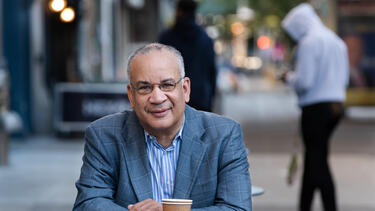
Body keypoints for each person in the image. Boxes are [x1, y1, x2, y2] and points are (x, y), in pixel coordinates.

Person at [73, 43, 252, 211]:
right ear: (131, 95)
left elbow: (237, 207)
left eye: (167, 85)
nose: (158, 98)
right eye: (145, 88)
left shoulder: (224, 135)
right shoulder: (104, 134)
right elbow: (87, 204)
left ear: (185, 89)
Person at [281, 3, 349, 211]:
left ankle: (331, 206)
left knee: (318, 164)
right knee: (314, 160)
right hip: (336, 107)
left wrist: (288, 77)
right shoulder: (336, 41)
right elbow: (344, 78)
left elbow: (304, 82)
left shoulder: (309, 43)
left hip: (314, 109)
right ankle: (305, 205)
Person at [159, 0, 217, 112]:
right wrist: (211, 97)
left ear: (179, 11)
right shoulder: (205, 39)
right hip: (201, 98)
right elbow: (212, 72)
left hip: (173, 97)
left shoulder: (167, 37)